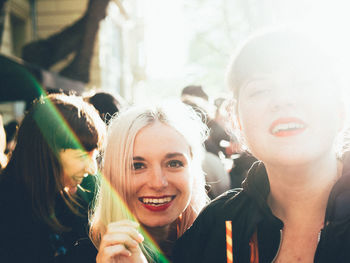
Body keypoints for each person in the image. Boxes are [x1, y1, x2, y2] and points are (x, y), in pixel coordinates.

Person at [173, 29, 350, 262]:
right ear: (235, 119)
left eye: (305, 84)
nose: (283, 100)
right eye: (261, 90)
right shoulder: (217, 225)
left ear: (340, 109)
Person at [87, 102, 209, 262]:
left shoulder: (224, 245)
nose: (158, 183)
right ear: (112, 175)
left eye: (174, 163)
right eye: (137, 166)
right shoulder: (82, 255)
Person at [0, 93, 105, 262]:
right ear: (46, 153)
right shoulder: (7, 212)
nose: (92, 169)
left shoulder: (77, 202)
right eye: (81, 157)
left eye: (95, 157)